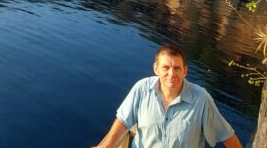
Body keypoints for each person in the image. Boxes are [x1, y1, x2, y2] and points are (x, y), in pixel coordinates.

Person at [93, 44, 244, 148]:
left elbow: (226, 135)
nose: (171, 74)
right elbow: (124, 121)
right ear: (156, 69)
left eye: (177, 68)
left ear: (185, 71)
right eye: (165, 68)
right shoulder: (142, 89)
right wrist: (106, 145)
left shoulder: (201, 99)